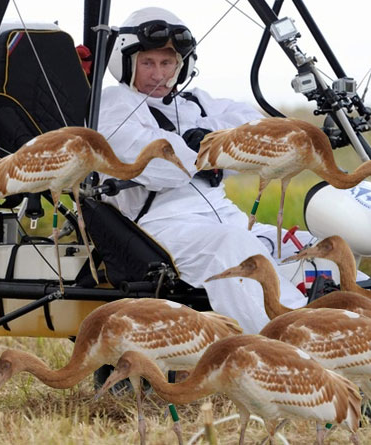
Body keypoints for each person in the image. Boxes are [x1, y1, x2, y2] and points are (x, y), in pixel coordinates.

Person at [98, 7, 314, 333]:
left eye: (167, 63)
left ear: (182, 66)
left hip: (229, 220)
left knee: (315, 247)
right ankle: (294, 342)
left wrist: (208, 142)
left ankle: (363, 327)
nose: (158, 74)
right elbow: (159, 164)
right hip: (162, 231)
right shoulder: (114, 106)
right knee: (232, 248)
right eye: (148, 63)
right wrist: (209, 149)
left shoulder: (195, 102)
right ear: (126, 62)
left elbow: (255, 130)